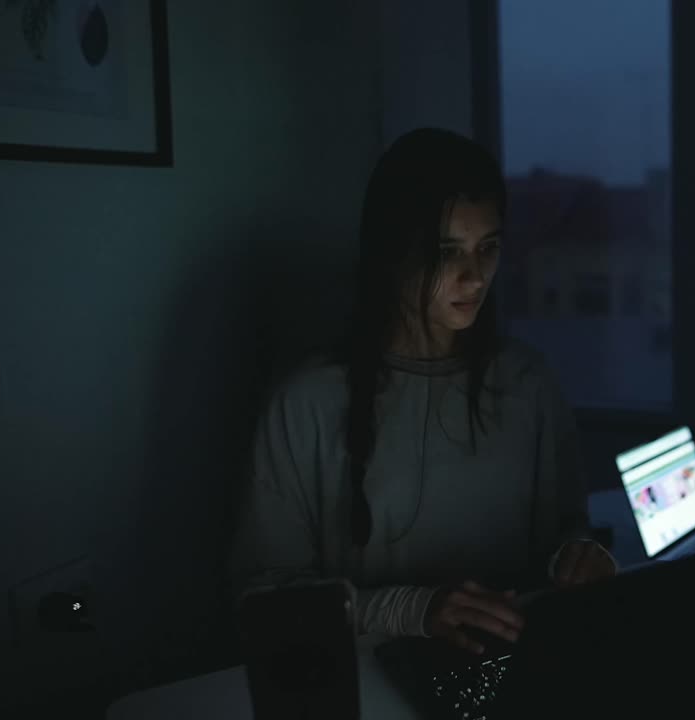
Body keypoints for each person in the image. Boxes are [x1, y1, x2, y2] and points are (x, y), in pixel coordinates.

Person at [230, 127, 616, 656]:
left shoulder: (527, 384)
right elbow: (264, 601)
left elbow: (565, 531)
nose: (475, 277)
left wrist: (578, 557)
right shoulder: (307, 403)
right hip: (365, 684)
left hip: (509, 676)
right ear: (394, 253)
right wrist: (413, 612)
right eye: (447, 251)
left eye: (489, 248)